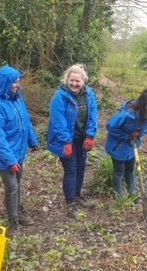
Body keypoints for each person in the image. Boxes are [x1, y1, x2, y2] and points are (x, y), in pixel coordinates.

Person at [0, 65, 39, 232]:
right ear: (4, 83)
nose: (17, 84)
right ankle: (13, 222)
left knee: (18, 183)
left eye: (17, 80)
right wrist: (10, 160)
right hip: (3, 154)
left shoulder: (16, 98)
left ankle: (18, 211)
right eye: (13, 81)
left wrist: (32, 139)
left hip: (18, 150)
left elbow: (25, 121)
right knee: (12, 186)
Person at [47, 64, 98, 216]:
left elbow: (93, 115)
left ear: (83, 81)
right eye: (72, 80)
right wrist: (66, 142)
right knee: (71, 169)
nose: (74, 84)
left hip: (81, 139)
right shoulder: (59, 97)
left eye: (78, 81)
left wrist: (90, 135)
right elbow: (58, 122)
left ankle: (77, 195)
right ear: (66, 79)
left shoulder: (89, 95)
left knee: (81, 167)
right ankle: (70, 203)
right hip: (66, 140)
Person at [105, 89, 147, 199]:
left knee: (131, 170)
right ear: (146, 106)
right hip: (118, 147)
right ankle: (119, 197)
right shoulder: (126, 115)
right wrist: (127, 136)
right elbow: (110, 127)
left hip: (132, 147)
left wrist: (138, 134)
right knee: (119, 172)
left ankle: (132, 195)